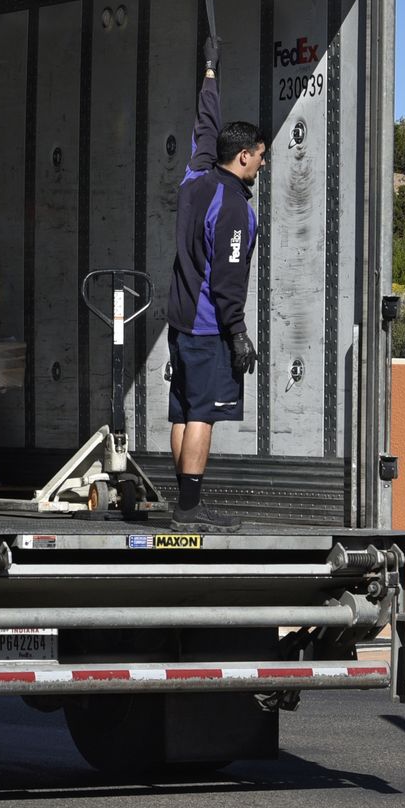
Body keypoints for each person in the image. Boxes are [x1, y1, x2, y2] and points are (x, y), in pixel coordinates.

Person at [165, 36, 264, 533]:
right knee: (201, 413)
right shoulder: (234, 208)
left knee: (181, 411)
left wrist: (210, 73)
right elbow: (228, 278)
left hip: (180, 322)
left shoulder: (194, 177)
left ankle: (182, 503)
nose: (263, 164)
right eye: (260, 156)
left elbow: (205, 127)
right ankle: (190, 508)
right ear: (243, 156)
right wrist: (238, 333)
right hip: (207, 327)